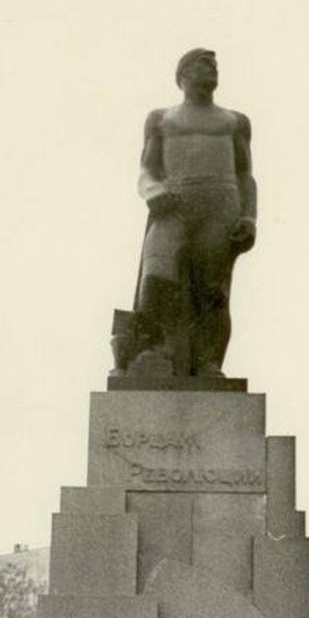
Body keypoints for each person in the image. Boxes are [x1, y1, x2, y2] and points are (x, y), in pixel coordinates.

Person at [112, 49, 256, 379]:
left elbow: (245, 174)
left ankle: (209, 362)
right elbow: (147, 170)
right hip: (174, 202)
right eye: (202, 64)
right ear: (183, 74)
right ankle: (155, 350)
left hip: (220, 204)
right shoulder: (162, 119)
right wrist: (153, 192)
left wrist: (249, 218)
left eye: (214, 65)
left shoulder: (235, 121)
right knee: (157, 276)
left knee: (212, 288)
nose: (211, 69)